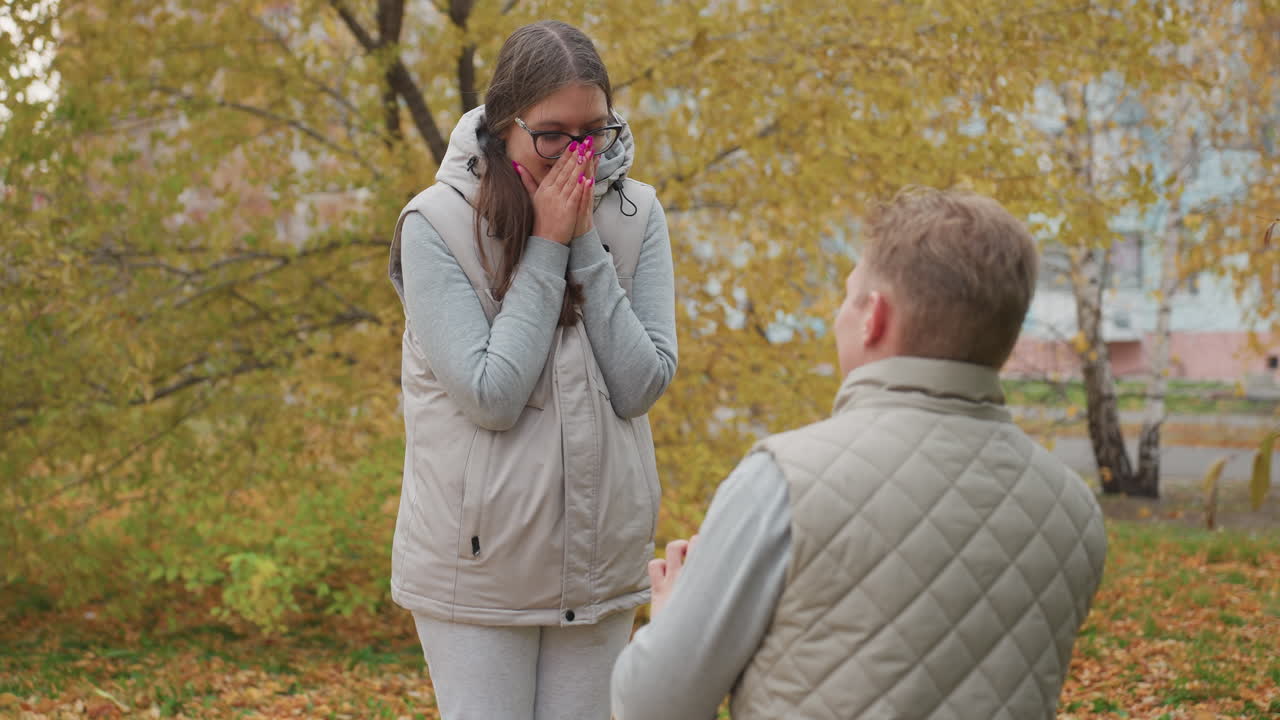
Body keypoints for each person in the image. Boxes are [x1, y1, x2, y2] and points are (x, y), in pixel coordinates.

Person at [611, 188, 1107, 720]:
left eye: (848, 298)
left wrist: (670, 616)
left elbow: (651, 705)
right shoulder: (1073, 509)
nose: (837, 319)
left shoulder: (784, 481)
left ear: (874, 317)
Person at [385, 20, 677, 720]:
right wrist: (547, 246)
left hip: (599, 557)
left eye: (594, 131)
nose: (576, 154)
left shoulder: (637, 215)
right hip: (478, 566)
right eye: (552, 134)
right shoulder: (436, 225)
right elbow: (492, 394)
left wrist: (584, 248)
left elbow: (641, 384)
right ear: (503, 123)